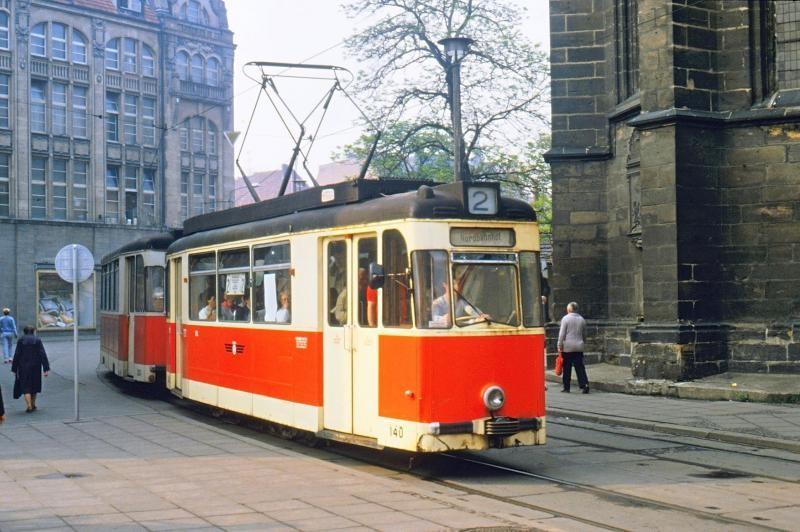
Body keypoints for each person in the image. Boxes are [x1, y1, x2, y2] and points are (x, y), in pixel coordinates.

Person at [11, 326, 50, 412]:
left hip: (23, 366)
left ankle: (29, 405)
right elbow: (42, 354)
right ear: (33, 331)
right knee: (34, 386)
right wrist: (45, 368)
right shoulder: (37, 340)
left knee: (25, 386)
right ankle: (33, 404)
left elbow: (17, 354)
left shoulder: (21, 340)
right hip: (36, 366)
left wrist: (14, 368)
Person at [557, 301, 589, 394]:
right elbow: (584, 334)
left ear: (569, 309)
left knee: (567, 367)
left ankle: (566, 387)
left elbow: (562, 334)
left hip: (567, 347)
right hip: (579, 346)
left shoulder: (565, 319)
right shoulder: (582, 319)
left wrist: (559, 345)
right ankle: (584, 385)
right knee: (580, 367)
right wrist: (583, 342)